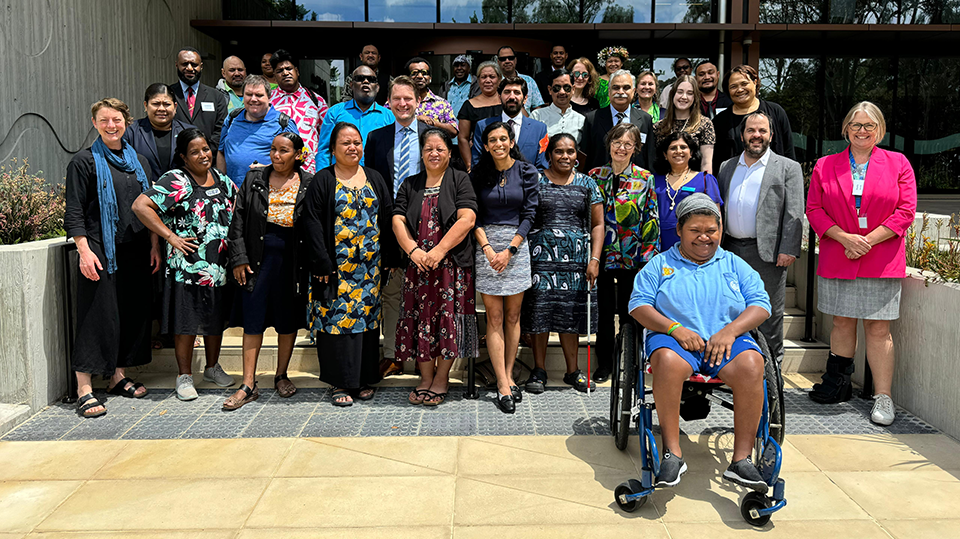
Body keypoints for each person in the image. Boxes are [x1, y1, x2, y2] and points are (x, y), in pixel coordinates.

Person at [628, 193, 772, 492]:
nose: (704, 237)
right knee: (666, 362)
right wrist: (674, 328)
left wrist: (730, 331)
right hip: (677, 343)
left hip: (726, 344)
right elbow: (638, 305)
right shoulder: (660, 264)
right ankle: (672, 453)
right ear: (679, 230)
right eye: (695, 231)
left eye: (712, 230)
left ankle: (742, 460)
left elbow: (760, 304)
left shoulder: (733, 264)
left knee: (752, 363)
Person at [806, 102, 917, 426]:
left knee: (879, 328)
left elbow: (906, 210)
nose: (862, 130)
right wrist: (845, 238)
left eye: (869, 125)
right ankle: (838, 384)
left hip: (880, 257)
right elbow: (814, 209)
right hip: (839, 252)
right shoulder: (825, 165)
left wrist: (867, 240)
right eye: (856, 125)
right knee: (841, 321)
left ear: (879, 130)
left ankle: (883, 397)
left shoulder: (898, 164)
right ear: (846, 128)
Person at [65, 98, 158, 418]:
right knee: (96, 316)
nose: (111, 126)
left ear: (126, 122)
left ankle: (117, 377)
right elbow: (74, 210)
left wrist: (155, 245)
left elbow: (151, 208)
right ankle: (84, 388)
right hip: (99, 248)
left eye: (116, 120)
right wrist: (84, 250)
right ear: (95, 124)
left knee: (127, 313)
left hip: (134, 247)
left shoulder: (140, 162)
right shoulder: (84, 161)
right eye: (104, 121)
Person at [132, 128, 237, 401]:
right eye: (195, 152)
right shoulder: (176, 180)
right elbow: (141, 206)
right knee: (186, 322)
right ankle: (184, 376)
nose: (203, 155)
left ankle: (212, 368)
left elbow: (237, 213)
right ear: (183, 156)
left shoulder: (223, 181)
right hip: (187, 266)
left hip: (219, 267)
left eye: (205, 149)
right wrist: (170, 238)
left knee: (216, 320)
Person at [301, 122, 397, 406]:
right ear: (332, 149)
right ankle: (339, 383)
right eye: (346, 143)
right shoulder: (323, 180)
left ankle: (363, 378)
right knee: (336, 324)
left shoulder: (375, 178)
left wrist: (390, 257)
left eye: (356, 142)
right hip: (333, 269)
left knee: (366, 323)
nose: (352, 147)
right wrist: (321, 262)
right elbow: (312, 223)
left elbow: (389, 216)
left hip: (369, 269)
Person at [224, 133, 314, 410]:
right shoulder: (255, 179)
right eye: (273, 150)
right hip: (256, 258)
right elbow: (238, 219)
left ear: (297, 154)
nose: (276, 156)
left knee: (287, 320)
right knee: (253, 319)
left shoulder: (309, 182)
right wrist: (239, 258)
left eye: (284, 151)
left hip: (291, 260)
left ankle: (281, 375)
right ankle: (248, 383)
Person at [393, 129, 479, 405]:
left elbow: (467, 218)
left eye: (440, 149)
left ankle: (441, 379)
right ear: (421, 153)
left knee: (447, 320)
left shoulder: (459, 180)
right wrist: (414, 251)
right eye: (428, 148)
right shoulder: (410, 184)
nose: (434, 153)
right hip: (418, 268)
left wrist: (440, 250)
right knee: (421, 320)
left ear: (450, 153)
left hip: (451, 267)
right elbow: (397, 220)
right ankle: (425, 378)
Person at [717, 112, 804, 368]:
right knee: (730, 310)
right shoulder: (726, 166)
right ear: (742, 135)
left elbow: (794, 213)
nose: (757, 135)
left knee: (768, 314)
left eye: (762, 131)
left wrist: (788, 249)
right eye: (751, 130)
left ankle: (771, 372)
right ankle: (735, 367)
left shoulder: (788, 167)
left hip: (767, 253)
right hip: (729, 249)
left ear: (771, 135)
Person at [521, 134, 602, 393]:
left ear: (577, 154)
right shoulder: (535, 180)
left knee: (571, 315)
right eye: (559, 152)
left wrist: (595, 259)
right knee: (540, 314)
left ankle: (572, 371)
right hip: (541, 260)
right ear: (549, 154)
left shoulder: (588, 184)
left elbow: (598, 224)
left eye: (570, 151)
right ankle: (539, 369)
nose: (565, 156)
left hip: (577, 262)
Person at [365, 76, 431, 377]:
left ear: (418, 101)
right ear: (388, 102)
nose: (403, 104)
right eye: (397, 99)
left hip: (425, 224)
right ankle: (392, 355)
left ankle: (422, 354)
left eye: (409, 99)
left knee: (424, 291)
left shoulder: (431, 136)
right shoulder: (377, 138)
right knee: (392, 292)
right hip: (386, 225)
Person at [472, 121, 539, 413]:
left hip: (516, 246)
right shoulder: (478, 174)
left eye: (503, 138)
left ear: (511, 142)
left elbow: (530, 212)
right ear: (485, 145)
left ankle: (508, 375)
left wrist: (510, 249)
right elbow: (471, 214)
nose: (498, 144)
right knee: (494, 317)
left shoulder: (527, 172)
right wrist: (487, 248)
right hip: (486, 245)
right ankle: (502, 384)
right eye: (492, 140)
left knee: (513, 316)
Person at [587, 123, 660, 383]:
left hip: (633, 257)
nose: (622, 148)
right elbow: (588, 218)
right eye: (617, 142)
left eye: (628, 144)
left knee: (633, 311)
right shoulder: (594, 175)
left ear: (636, 148)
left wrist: (648, 260)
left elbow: (651, 219)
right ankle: (605, 364)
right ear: (609, 144)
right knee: (604, 312)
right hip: (603, 255)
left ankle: (632, 362)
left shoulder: (645, 178)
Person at [217, 75, 299, 187]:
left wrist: (267, 169)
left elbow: (296, 160)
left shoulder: (284, 123)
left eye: (259, 95)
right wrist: (221, 182)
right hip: (234, 192)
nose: (253, 99)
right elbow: (221, 152)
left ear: (269, 97)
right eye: (249, 94)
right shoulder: (231, 119)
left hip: (269, 193)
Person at [712, 64, 795, 173]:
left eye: (744, 83)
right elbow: (716, 161)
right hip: (734, 184)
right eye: (733, 86)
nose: (739, 89)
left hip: (773, 182)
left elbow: (788, 151)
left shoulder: (775, 112)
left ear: (755, 82)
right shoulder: (720, 121)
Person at [654, 131, 723, 251]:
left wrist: (715, 249)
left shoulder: (705, 179)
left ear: (691, 153)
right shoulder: (653, 179)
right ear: (665, 154)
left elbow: (717, 218)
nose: (678, 151)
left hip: (694, 242)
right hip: (658, 242)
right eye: (673, 148)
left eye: (683, 147)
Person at [316, 66, 395, 170]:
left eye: (371, 80)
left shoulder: (389, 116)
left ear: (377, 87)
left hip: (377, 178)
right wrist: (323, 179)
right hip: (340, 178)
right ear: (351, 85)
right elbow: (324, 151)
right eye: (360, 78)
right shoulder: (335, 112)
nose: (366, 81)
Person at [581, 69, 657, 171]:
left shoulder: (645, 119)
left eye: (626, 88)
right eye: (616, 88)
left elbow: (649, 156)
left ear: (634, 91)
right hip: (600, 182)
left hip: (635, 183)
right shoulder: (592, 118)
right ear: (609, 92)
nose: (621, 92)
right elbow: (585, 156)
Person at [269, 49, 329, 174]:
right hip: (277, 170)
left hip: (310, 170)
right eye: (280, 71)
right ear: (274, 76)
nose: (285, 73)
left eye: (289, 69)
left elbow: (326, 137)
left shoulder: (316, 100)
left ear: (297, 71)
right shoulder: (268, 101)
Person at [472, 77, 548, 170]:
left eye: (517, 92)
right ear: (499, 97)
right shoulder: (483, 126)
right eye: (507, 92)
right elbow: (477, 163)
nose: (512, 97)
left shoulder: (539, 129)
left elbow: (542, 166)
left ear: (525, 99)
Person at [124, 83, 195, 182]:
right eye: (155, 104)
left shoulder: (189, 132)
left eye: (167, 104)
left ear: (175, 107)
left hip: (183, 193)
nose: (161, 109)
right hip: (144, 193)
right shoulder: (130, 132)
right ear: (146, 105)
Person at [654, 74, 716, 175]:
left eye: (690, 93)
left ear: (695, 98)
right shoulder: (659, 127)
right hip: (663, 184)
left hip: (693, 185)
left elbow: (706, 163)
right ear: (673, 94)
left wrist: (705, 187)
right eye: (680, 92)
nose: (684, 97)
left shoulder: (705, 124)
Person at [170, 47, 227, 155]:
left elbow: (221, 130)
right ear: (177, 65)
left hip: (207, 159)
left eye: (194, 65)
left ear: (201, 66)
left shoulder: (216, 96)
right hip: (176, 158)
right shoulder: (168, 95)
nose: (189, 68)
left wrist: (203, 152)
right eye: (184, 64)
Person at [457, 61, 502, 170]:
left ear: (499, 79)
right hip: (480, 160)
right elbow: (463, 138)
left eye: (492, 77)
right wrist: (469, 165)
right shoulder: (469, 105)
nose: (488, 80)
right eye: (483, 77)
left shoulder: (507, 102)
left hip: (506, 157)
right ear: (478, 80)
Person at [405, 57, 459, 139]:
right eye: (414, 73)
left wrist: (433, 123)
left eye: (424, 73)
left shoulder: (442, 103)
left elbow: (453, 131)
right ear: (407, 77)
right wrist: (416, 119)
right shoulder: (397, 103)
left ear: (430, 77)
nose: (420, 76)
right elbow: (387, 126)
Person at [530, 69, 585, 143]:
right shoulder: (537, 116)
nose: (562, 92)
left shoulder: (581, 120)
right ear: (550, 90)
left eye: (566, 88)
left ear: (573, 89)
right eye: (557, 88)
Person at [496, 45, 544, 113]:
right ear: (498, 62)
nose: (507, 61)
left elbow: (537, 108)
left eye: (510, 58)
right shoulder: (495, 83)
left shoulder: (529, 81)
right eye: (503, 59)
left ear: (515, 60)